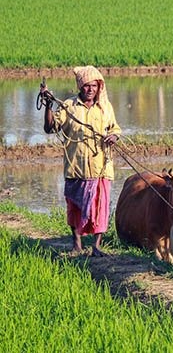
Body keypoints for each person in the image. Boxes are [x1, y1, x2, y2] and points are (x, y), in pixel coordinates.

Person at [39, 66, 121, 256]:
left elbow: (115, 128)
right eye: (86, 86)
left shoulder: (105, 107)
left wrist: (114, 136)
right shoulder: (69, 106)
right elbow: (50, 128)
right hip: (76, 166)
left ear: (99, 87)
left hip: (101, 166)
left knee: (100, 206)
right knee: (75, 206)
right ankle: (76, 244)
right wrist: (48, 105)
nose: (90, 89)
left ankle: (97, 246)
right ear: (80, 87)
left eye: (94, 86)